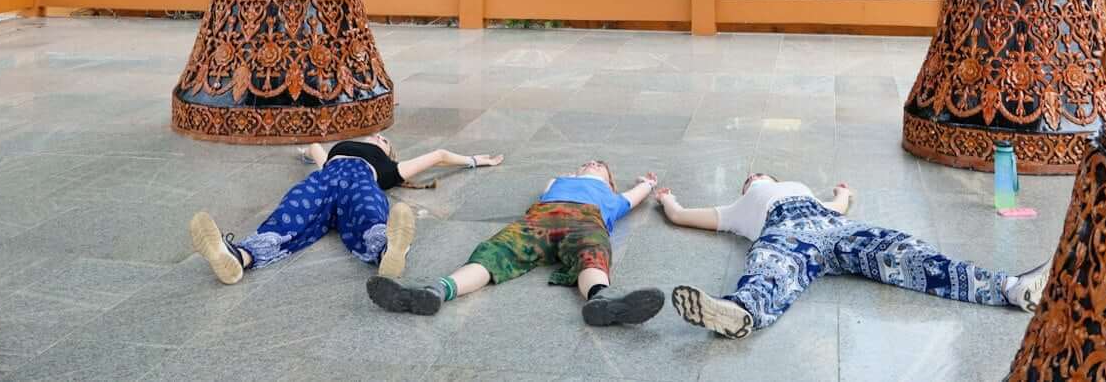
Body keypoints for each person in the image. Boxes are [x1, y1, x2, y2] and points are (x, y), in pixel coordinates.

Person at [658, 173, 1047, 338]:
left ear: (774, 179)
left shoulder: (800, 189)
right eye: (750, 179)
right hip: (785, 235)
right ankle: (740, 311)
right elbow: (682, 216)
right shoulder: (737, 208)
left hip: (835, 226)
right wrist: (667, 200)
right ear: (747, 187)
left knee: (908, 253)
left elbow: (838, 204)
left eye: (759, 176)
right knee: (770, 268)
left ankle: (1010, 288)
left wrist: (842, 194)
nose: (755, 178)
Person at [365, 159, 667, 327]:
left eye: (600, 165)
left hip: (585, 220)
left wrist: (648, 183)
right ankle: (436, 291)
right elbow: (548, 184)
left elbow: (635, 195)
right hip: (540, 217)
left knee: (593, 253)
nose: (592, 163)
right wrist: (568, 176)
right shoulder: (557, 183)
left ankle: (601, 300)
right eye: (587, 163)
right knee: (494, 251)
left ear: (610, 182)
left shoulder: (611, 197)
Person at [189, 134, 504, 285]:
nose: (377, 137)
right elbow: (315, 148)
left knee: (369, 214)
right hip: (324, 180)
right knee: (289, 216)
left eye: (383, 140)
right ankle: (236, 257)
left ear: (387, 151)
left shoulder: (390, 167)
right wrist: (302, 151)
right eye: (375, 136)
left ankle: (390, 251)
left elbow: (438, 155)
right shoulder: (336, 153)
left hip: (361, 182)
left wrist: (476, 160)